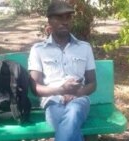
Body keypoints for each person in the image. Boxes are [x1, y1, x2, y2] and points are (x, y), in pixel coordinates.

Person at [28, 1, 96, 141]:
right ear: (50, 21)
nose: (65, 22)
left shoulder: (84, 48)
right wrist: (61, 90)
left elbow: (92, 83)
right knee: (68, 126)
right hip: (52, 101)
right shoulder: (38, 50)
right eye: (59, 18)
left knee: (73, 113)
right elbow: (35, 88)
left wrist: (77, 92)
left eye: (68, 17)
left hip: (79, 100)